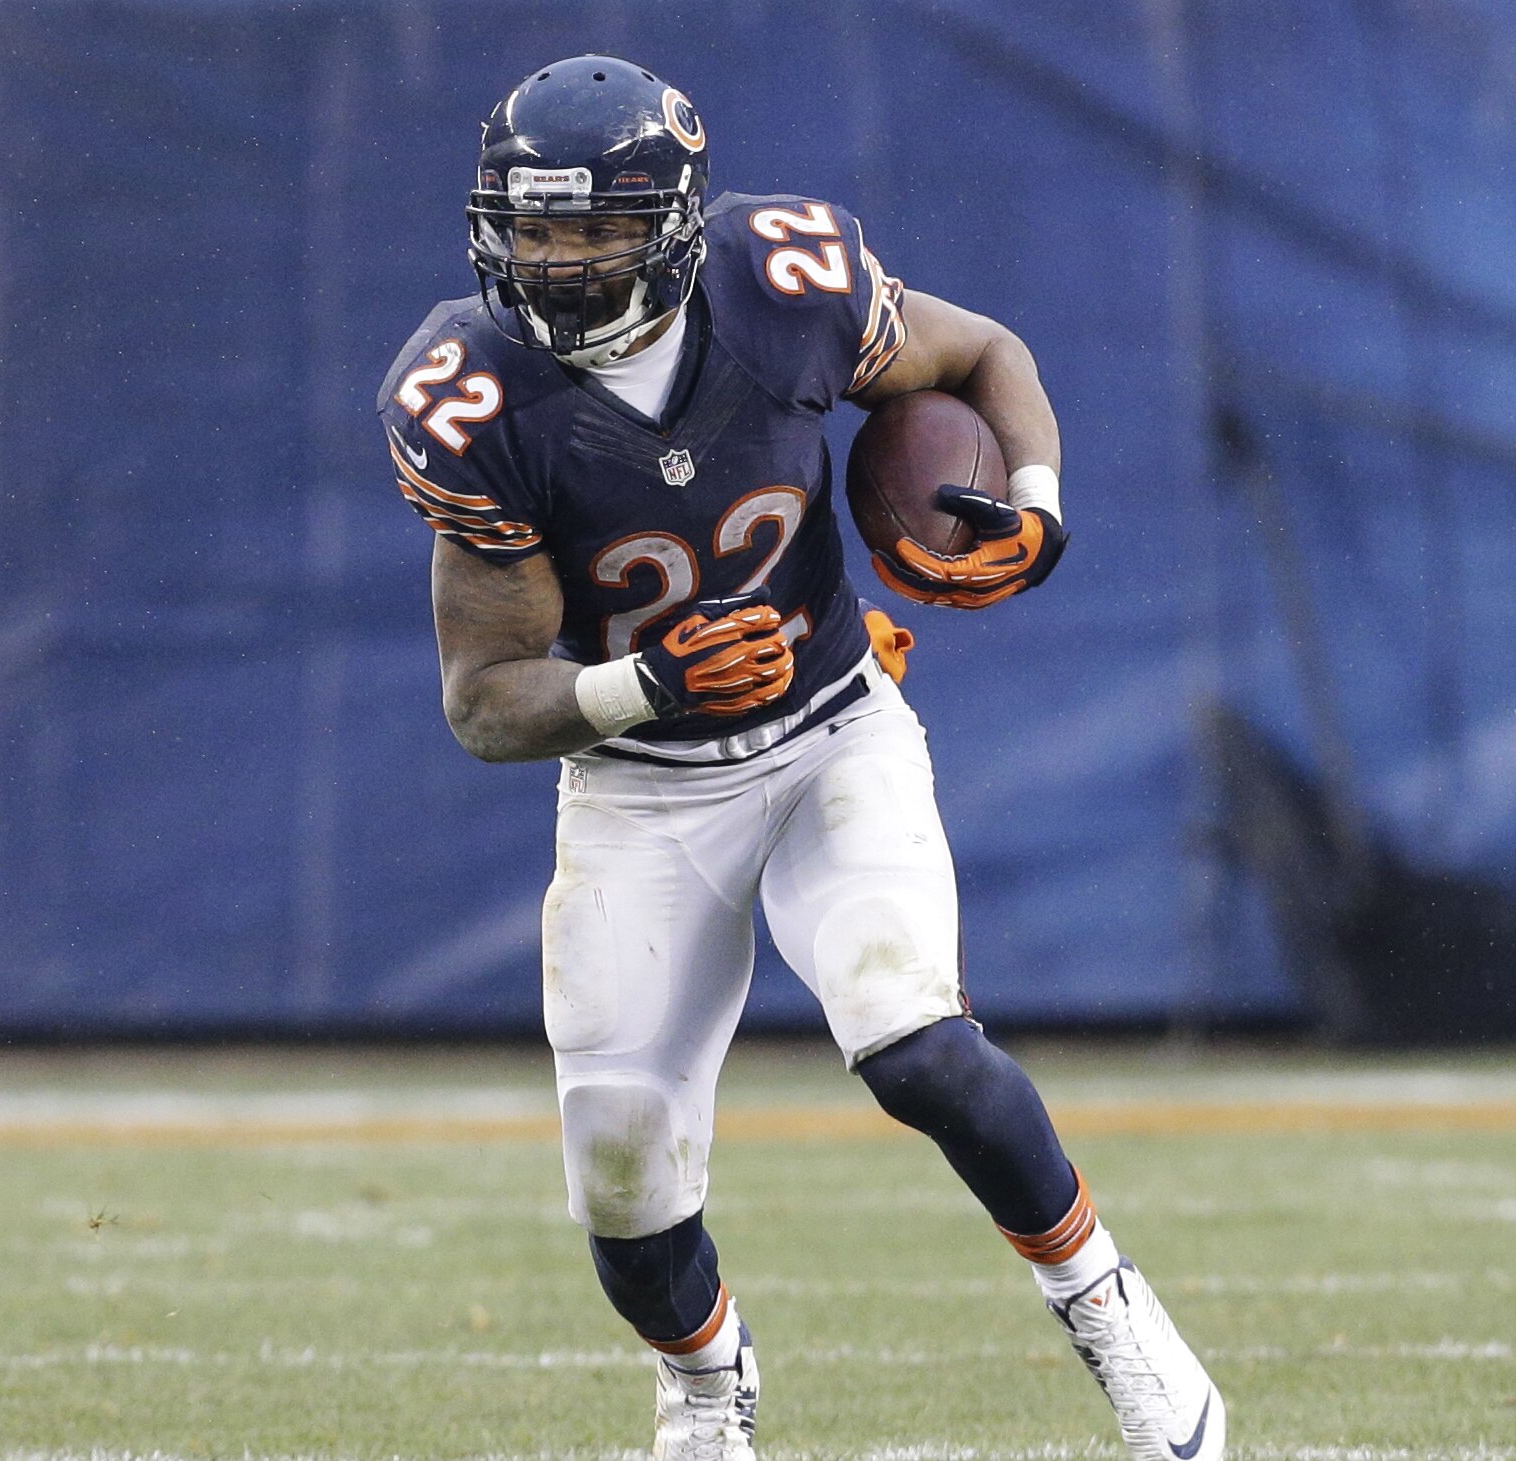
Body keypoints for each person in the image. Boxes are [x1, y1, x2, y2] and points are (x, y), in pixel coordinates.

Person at [376, 56, 1224, 1461]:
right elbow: (485, 701)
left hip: (833, 728)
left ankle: (1107, 1306)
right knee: (624, 1186)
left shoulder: (783, 284)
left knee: (914, 1041)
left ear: (673, 223)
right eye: (533, 226)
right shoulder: (471, 396)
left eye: (595, 226)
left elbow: (986, 355)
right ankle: (708, 1384)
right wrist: (644, 681)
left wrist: (1032, 502)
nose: (558, 260)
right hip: (645, 786)